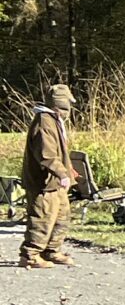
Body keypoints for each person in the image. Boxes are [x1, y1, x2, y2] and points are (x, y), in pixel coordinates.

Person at [19, 84, 76, 270]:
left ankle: (51, 250)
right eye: (68, 103)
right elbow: (47, 154)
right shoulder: (44, 122)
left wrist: (69, 171)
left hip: (55, 183)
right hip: (43, 183)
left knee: (61, 216)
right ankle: (30, 255)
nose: (70, 108)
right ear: (60, 103)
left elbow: (60, 152)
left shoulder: (54, 120)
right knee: (42, 218)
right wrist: (61, 173)